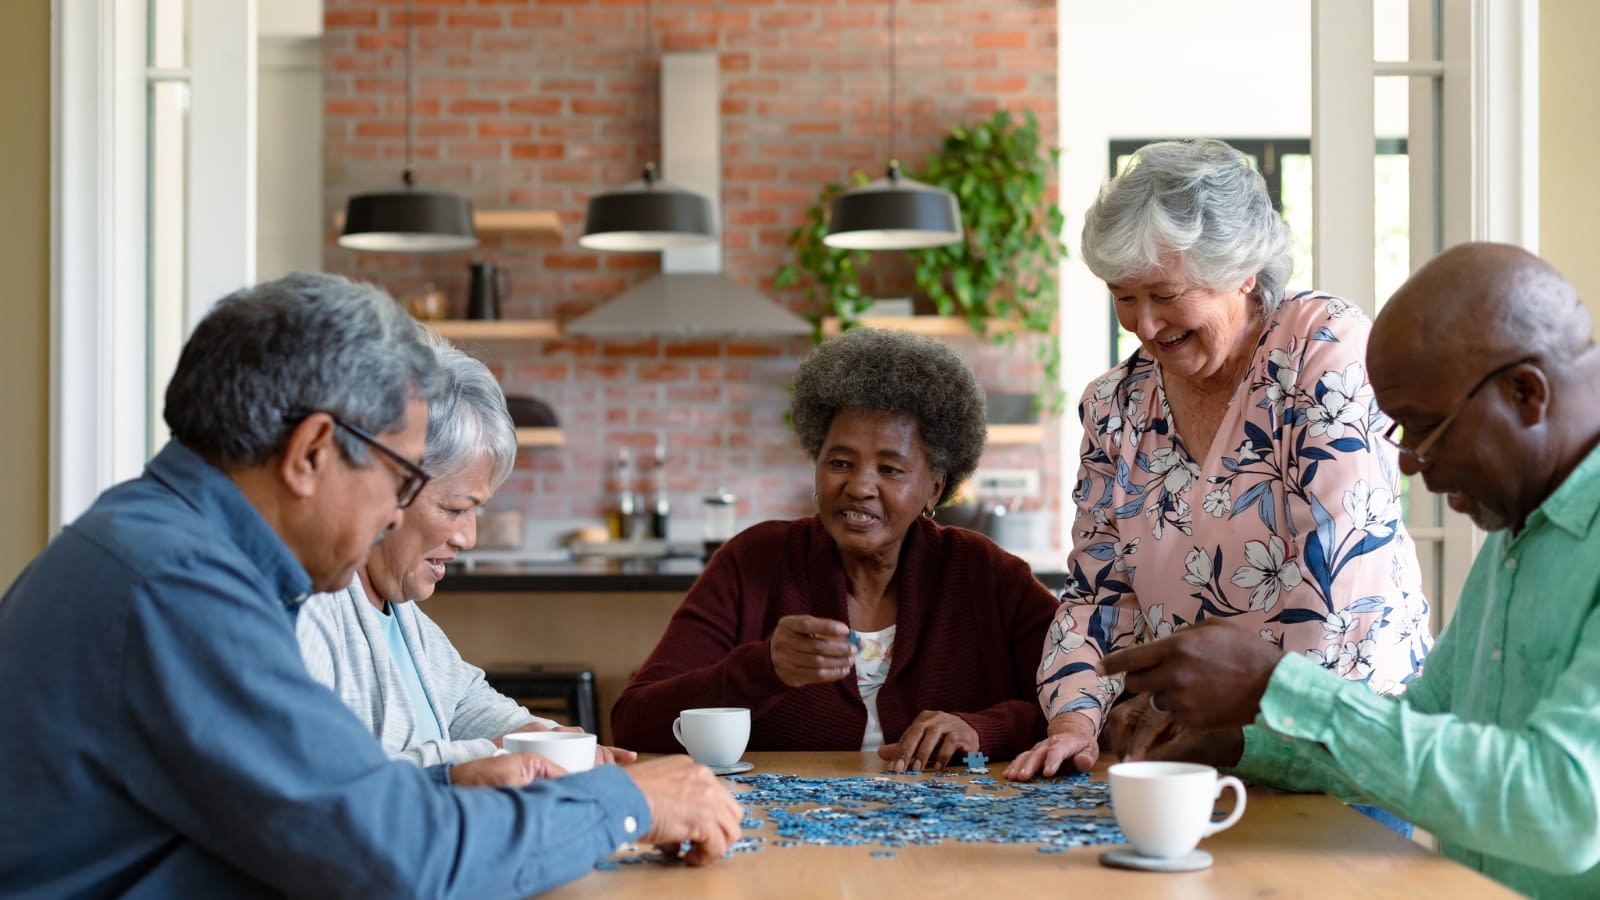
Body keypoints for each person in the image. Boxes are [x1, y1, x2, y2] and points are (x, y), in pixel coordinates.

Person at [0, 273, 741, 898]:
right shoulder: (181, 588)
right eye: (403, 479)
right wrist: (625, 802)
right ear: (312, 453)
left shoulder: (159, 541)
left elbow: (339, 811)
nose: (395, 512)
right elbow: (394, 856)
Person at [1098, 242, 1600, 897]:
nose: (1412, 464)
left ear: (1526, 393)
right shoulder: (1523, 531)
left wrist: (1279, 684)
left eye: (1425, 429)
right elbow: (1413, 731)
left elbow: (1564, 811)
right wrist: (1240, 746)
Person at [1007, 139, 1432, 781]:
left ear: (1243, 270)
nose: (1144, 325)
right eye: (1124, 297)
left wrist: (1240, 733)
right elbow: (1099, 595)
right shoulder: (1115, 405)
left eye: (1165, 294)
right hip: (1188, 750)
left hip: (1335, 744)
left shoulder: (1322, 352)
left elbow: (1341, 581)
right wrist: (1075, 720)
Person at [610, 327, 1059, 772]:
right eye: (839, 463)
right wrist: (762, 669)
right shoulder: (753, 562)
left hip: (952, 832)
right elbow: (634, 721)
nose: (860, 486)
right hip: (780, 828)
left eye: (890, 468)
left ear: (934, 488)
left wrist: (984, 728)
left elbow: (1090, 703)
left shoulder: (985, 573)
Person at [297, 333, 634, 768]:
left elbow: (461, 702)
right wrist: (500, 754)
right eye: (456, 508)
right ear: (385, 481)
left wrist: (541, 736)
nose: (468, 538)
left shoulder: (400, 613)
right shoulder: (311, 610)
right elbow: (348, 786)